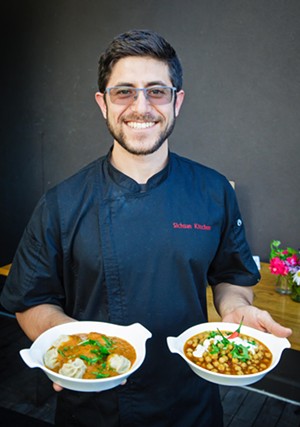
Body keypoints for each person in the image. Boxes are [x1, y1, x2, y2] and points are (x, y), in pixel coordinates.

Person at [1, 29, 292, 427]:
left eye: (157, 91)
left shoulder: (214, 190)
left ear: (178, 101)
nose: (142, 106)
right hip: (94, 405)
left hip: (192, 401)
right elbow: (31, 300)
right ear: (103, 103)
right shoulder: (60, 203)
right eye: (124, 92)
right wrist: (74, 344)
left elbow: (230, 276)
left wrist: (237, 307)